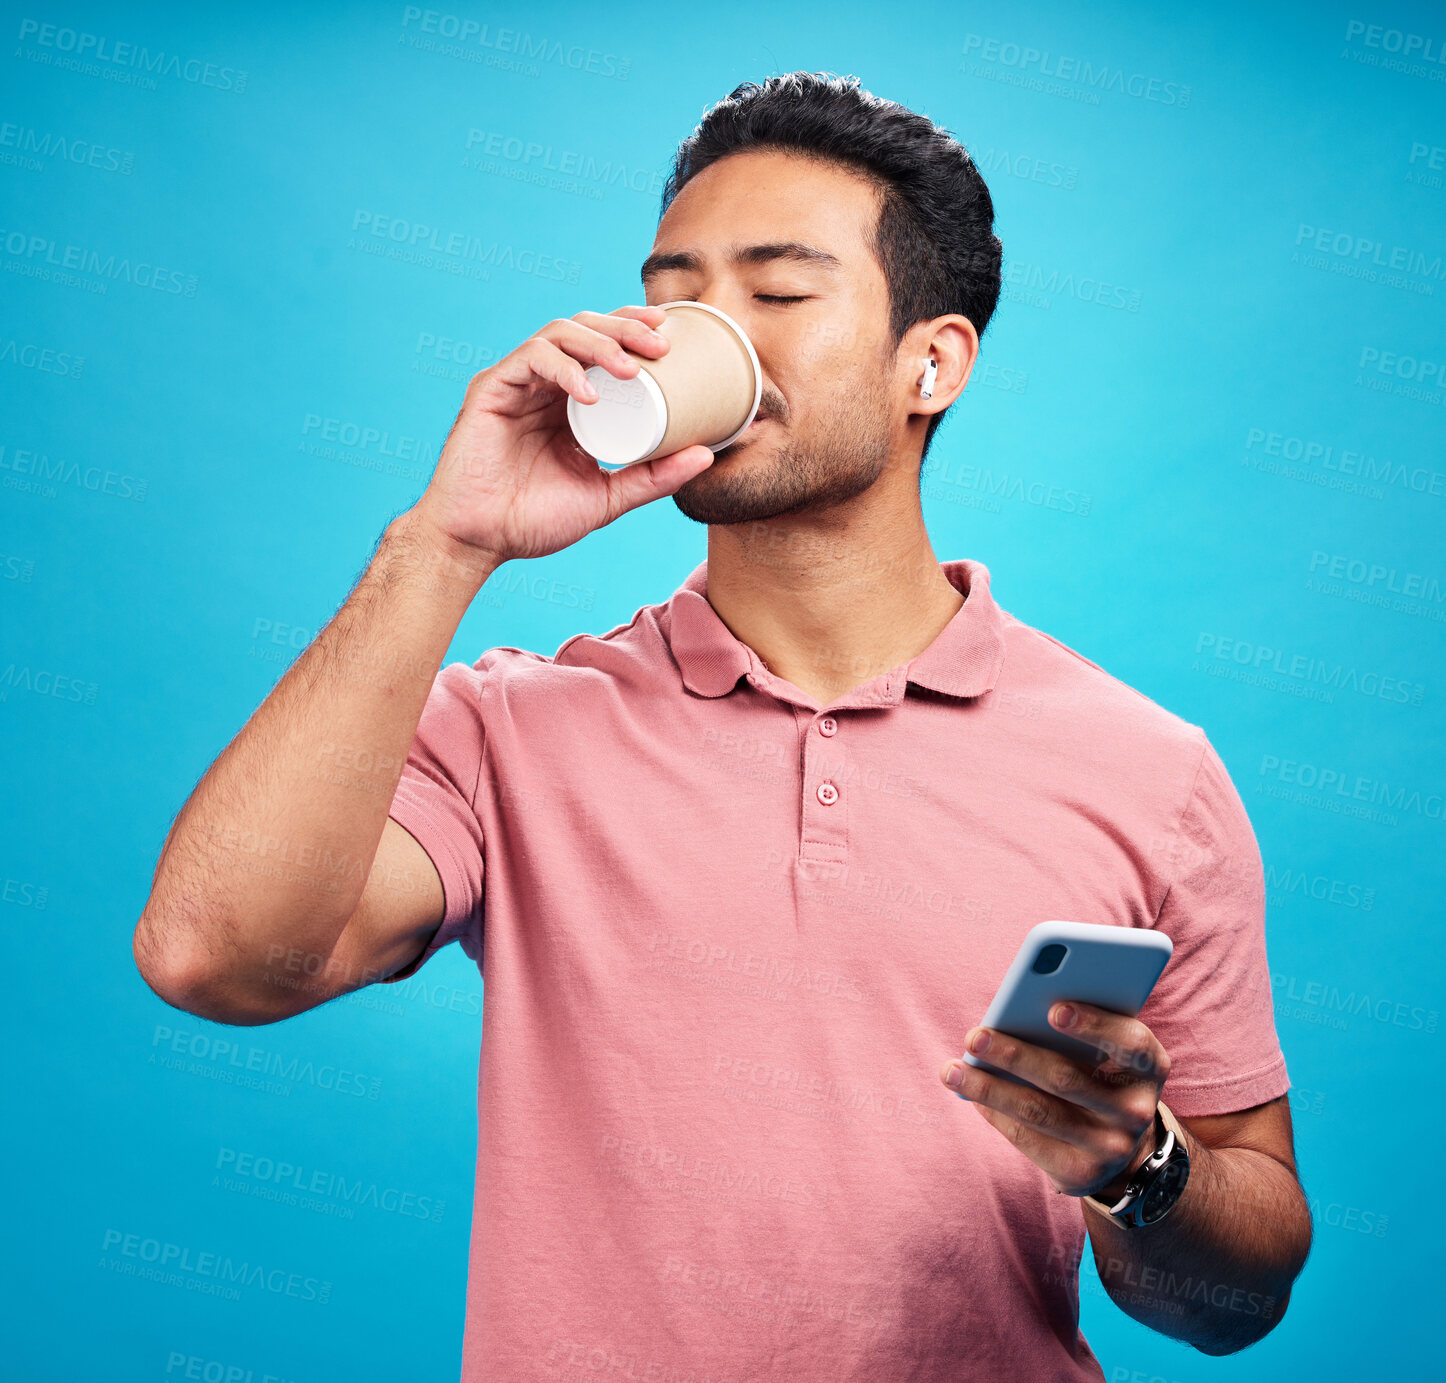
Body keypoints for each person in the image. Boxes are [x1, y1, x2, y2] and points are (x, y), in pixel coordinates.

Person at [133, 71, 1311, 1381]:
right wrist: (444, 545)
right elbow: (213, 959)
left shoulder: (1145, 769)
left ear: (931, 360)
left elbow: (1236, 1300)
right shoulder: (510, 731)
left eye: (779, 290)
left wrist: (1137, 1167)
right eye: (674, 292)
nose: (702, 331)